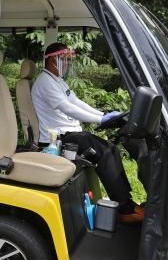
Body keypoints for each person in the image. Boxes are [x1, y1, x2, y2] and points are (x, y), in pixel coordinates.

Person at [31, 42, 145, 223]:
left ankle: (126, 202)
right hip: (58, 137)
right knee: (104, 152)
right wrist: (100, 120)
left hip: (70, 133)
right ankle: (125, 208)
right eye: (66, 60)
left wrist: (104, 115)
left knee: (111, 148)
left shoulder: (57, 81)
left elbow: (77, 103)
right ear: (53, 60)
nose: (68, 65)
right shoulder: (45, 83)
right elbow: (68, 109)